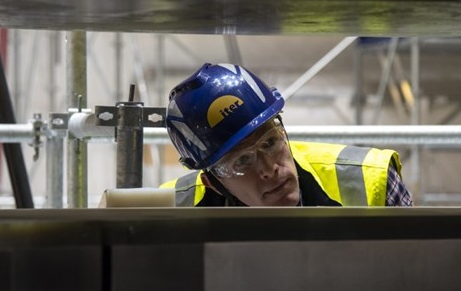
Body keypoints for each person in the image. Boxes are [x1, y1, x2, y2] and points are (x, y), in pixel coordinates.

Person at [161, 63, 413, 207]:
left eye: (270, 142)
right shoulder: (169, 207)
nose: (269, 169)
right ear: (213, 184)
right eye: (242, 161)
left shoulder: (370, 179)